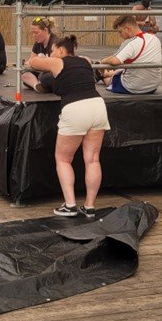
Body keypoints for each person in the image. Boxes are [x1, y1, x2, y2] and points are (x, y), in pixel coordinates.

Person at [28, 35, 110, 219]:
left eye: (52, 51)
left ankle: (70, 205)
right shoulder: (85, 60)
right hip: (97, 105)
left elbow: (33, 63)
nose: (51, 54)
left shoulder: (58, 62)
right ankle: (89, 206)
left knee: (63, 159)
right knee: (93, 160)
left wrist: (41, 58)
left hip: (75, 108)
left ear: (61, 50)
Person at [99, 15, 162, 95]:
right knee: (124, 68)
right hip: (152, 87)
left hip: (132, 87)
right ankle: (107, 73)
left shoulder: (131, 42)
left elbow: (114, 61)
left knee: (113, 78)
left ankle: (102, 76)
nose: (120, 35)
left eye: (120, 32)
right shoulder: (154, 38)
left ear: (128, 29)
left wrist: (102, 62)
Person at [20, 16, 59, 93]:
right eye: (32, 33)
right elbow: (31, 61)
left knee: (44, 77)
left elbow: (55, 67)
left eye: (36, 32)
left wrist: (38, 64)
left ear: (45, 30)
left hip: (54, 74)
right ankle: (38, 86)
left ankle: (39, 84)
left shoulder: (55, 43)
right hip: (42, 71)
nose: (34, 35)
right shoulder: (38, 43)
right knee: (23, 74)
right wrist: (25, 66)